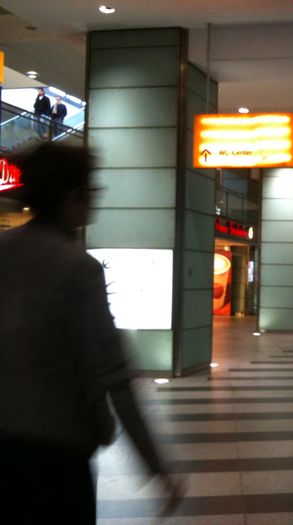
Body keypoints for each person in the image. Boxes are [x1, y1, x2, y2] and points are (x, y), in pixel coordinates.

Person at [0, 143, 182, 523]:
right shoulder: (78, 269)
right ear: (72, 197)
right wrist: (156, 468)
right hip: (55, 459)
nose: (95, 197)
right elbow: (114, 375)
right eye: (91, 189)